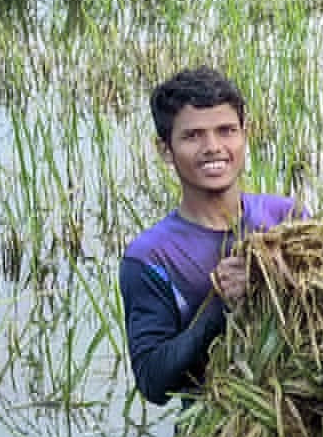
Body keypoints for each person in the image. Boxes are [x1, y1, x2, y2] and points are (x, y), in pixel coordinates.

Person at [119, 66, 306, 406]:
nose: (213, 147)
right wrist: (220, 307)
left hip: (305, 412)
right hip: (221, 426)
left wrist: (277, 277)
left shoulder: (287, 219)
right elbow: (153, 382)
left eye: (226, 131)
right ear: (165, 150)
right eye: (193, 136)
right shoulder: (151, 257)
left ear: (245, 134)